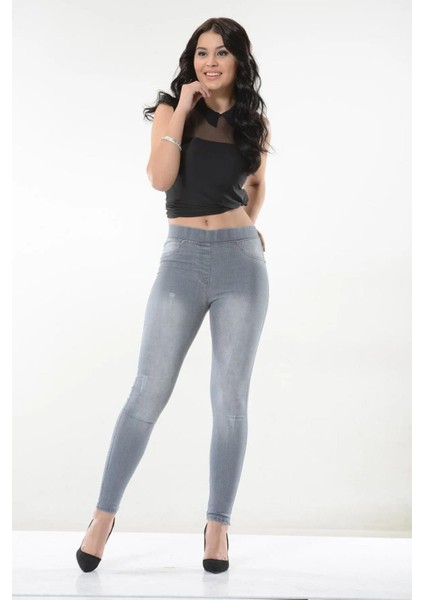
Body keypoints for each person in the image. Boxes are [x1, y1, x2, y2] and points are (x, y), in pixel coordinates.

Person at [76, 16, 272, 575]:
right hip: (181, 259)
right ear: (191, 60)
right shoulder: (170, 110)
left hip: (241, 264)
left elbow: (257, 183)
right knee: (147, 392)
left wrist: (250, 229)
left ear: (238, 60)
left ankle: (218, 527)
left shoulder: (253, 120)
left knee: (230, 401)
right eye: (202, 52)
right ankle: (102, 517)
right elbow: (161, 179)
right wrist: (184, 107)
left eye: (222, 53)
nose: (210, 62)